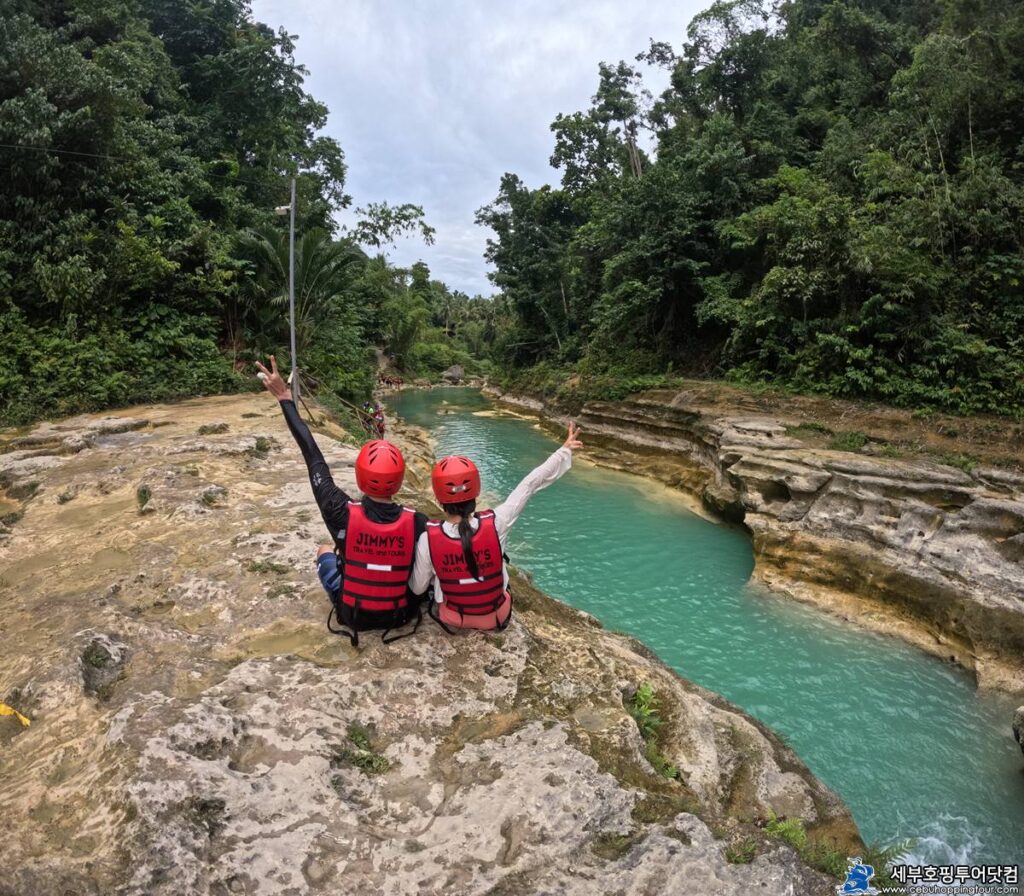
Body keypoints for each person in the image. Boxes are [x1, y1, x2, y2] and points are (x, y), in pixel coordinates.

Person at [255, 356, 427, 645]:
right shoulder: (417, 520)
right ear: (398, 481)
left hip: (352, 615)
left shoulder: (339, 509)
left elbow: (313, 456)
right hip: (400, 615)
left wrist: (284, 396)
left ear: (360, 476)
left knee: (326, 548)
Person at [410, 422, 584, 631]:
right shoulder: (497, 522)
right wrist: (563, 451)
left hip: (454, 618)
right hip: (496, 617)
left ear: (439, 500)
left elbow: (417, 587)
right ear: (476, 493)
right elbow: (530, 484)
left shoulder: (429, 538)